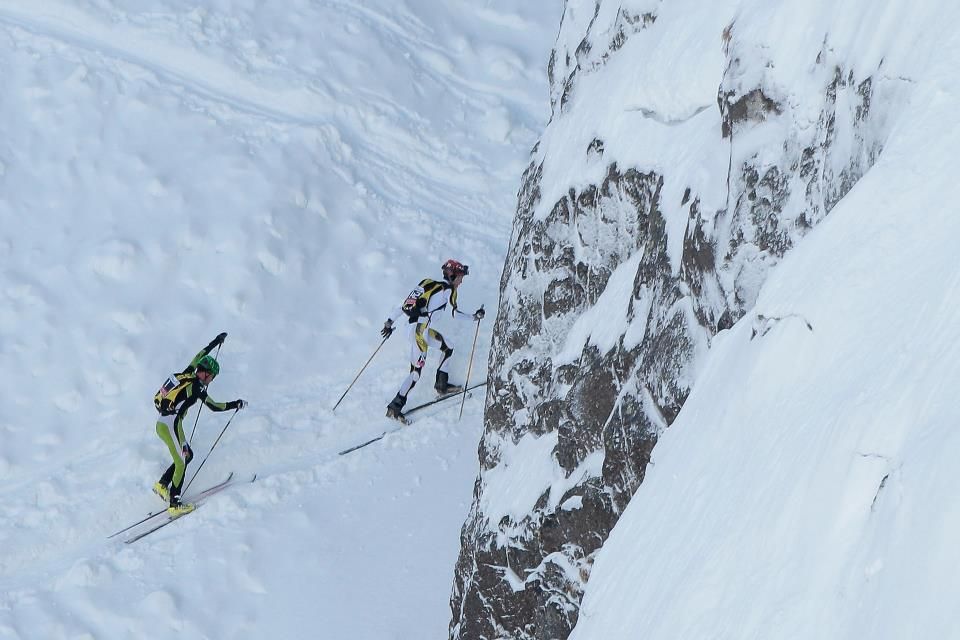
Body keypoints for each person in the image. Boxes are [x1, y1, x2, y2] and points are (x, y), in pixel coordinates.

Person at [152, 332, 246, 515]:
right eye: (212, 376)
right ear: (205, 373)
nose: (211, 380)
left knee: (187, 456)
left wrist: (216, 342)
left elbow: (199, 355)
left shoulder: (188, 373)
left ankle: (162, 485)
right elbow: (214, 406)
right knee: (181, 462)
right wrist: (236, 404)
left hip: (169, 423)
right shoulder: (196, 387)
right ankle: (174, 504)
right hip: (170, 425)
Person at [380, 259, 484, 422]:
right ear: (452, 276)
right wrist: (474, 317)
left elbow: (404, 305)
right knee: (415, 373)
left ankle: (441, 385)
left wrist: (389, 323)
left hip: (416, 328)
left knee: (448, 347)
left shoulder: (428, 283)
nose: (461, 281)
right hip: (419, 332)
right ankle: (395, 407)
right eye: (460, 277)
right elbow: (455, 314)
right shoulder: (449, 290)